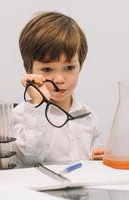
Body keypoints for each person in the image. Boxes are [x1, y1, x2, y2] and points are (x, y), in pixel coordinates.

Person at [13, 11, 104, 166]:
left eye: (69, 67)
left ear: (80, 66)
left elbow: (91, 159)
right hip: (40, 189)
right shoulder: (22, 114)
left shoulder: (87, 115)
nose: (60, 80)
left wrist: (97, 156)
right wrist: (39, 104)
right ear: (30, 71)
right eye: (47, 70)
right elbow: (29, 160)